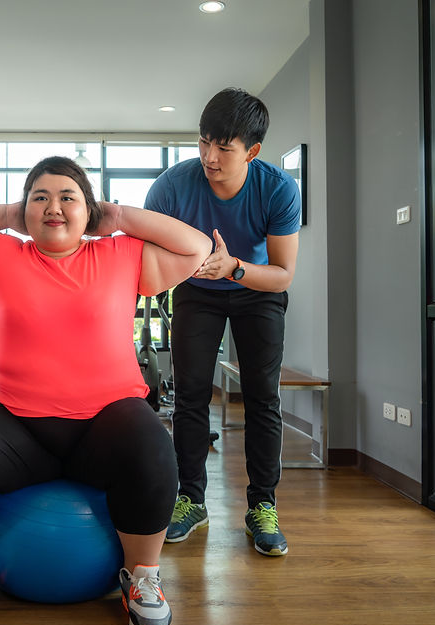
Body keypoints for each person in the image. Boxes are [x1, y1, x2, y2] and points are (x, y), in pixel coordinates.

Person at [0, 156, 211, 625]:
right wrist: (8, 216)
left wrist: (116, 216)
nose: (54, 207)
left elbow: (196, 246)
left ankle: (143, 579)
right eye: (40, 198)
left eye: (68, 197)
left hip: (106, 426)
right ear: (24, 210)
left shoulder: (122, 255)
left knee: (153, 442)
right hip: (17, 427)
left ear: (88, 210)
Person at [144, 88, 301, 556]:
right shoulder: (172, 186)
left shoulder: (277, 188)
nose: (209, 157)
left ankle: (262, 506)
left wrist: (233, 266)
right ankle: (190, 498)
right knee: (190, 395)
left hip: (255, 290)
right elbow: (148, 253)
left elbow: (282, 275)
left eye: (224, 147)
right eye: (203, 142)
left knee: (262, 397)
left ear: (252, 151)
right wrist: (187, 266)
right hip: (197, 289)